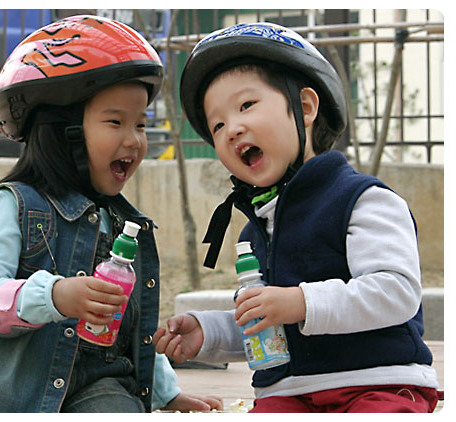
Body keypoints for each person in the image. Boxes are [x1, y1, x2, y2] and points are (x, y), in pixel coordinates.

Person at [0, 15, 222, 413]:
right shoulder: (8, 206)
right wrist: (54, 296)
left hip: (95, 389)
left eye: (141, 124)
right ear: (61, 130)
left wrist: (165, 392)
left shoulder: (121, 224)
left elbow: (127, 329)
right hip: (7, 398)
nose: (135, 140)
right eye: (116, 121)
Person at [153, 22, 441, 413]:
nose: (232, 129)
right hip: (288, 395)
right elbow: (269, 325)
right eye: (217, 125)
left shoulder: (362, 200)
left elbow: (397, 292)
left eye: (246, 105)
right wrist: (209, 333)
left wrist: (301, 302)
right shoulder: (255, 230)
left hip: (377, 384)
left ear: (305, 107)